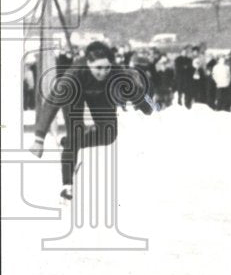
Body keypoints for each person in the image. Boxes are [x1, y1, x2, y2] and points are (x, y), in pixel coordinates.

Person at [29, 41, 155, 200]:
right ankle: (67, 186)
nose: (103, 72)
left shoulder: (116, 72)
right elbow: (51, 104)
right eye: (98, 68)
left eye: (107, 67)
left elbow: (138, 93)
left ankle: (67, 143)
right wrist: (39, 138)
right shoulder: (71, 76)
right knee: (75, 134)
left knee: (108, 135)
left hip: (99, 94)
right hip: (74, 94)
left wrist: (152, 107)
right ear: (88, 62)